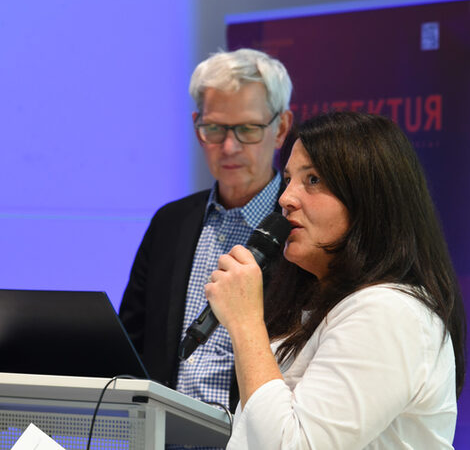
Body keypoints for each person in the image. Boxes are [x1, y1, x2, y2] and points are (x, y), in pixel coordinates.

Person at [205, 111, 466, 449]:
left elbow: (294, 445)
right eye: (288, 180)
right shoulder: (323, 308)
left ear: (369, 199)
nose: (285, 199)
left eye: (312, 180)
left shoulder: (388, 312)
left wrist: (245, 324)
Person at [119, 48, 294, 413]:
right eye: (214, 129)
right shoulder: (171, 222)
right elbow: (129, 344)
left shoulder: (299, 225)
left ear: (280, 128)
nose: (228, 147)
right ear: (197, 125)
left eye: (247, 129)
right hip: (161, 434)